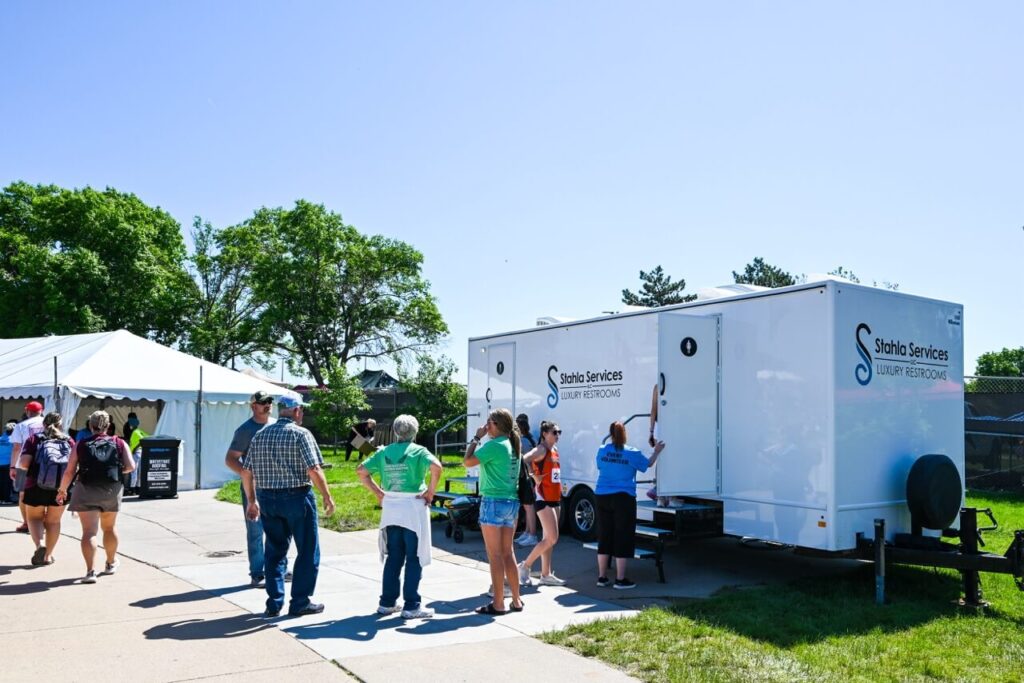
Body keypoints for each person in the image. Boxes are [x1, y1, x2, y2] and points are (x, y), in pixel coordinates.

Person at [242, 395, 336, 618]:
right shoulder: (300, 434)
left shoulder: (260, 435)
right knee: (307, 550)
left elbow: (247, 471)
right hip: (296, 497)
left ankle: (274, 603)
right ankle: (300, 602)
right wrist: (327, 496)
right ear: (296, 411)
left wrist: (251, 500)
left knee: (274, 551)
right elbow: (313, 469)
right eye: (301, 410)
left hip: (267, 499)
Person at [357, 414, 442, 619]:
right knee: (414, 557)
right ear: (415, 431)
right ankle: (411, 605)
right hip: (413, 507)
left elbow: (361, 471)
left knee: (394, 556)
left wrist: (379, 493)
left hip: (392, 507)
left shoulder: (384, 451)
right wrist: (430, 491)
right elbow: (437, 467)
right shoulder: (419, 451)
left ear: (395, 431)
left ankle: (387, 602)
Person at [56, 410, 135, 584]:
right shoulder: (119, 442)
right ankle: (110, 563)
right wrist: (113, 471)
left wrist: (62, 490)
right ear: (108, 426)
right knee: (109, 528)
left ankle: (90, 572)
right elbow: (131, 466)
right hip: (111, 490)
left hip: (86, 488)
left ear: (90, 425)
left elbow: (69, 471)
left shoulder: (81, 444)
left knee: (89, 532)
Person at [224, 391, 289, 588]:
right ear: (253, 406)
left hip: (277, 486)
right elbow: (230, 458)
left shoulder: (277, 425)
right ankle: (258, 572)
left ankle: (279, 568)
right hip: (253, 488)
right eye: (262, 403)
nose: (267, 405)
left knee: (279, 529)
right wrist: (246, 474)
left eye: (269, 402)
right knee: (255, 530)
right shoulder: (245, 430)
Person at [464, 408, 524, 615]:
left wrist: (476, 437)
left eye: (489, 423)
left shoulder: (494, 445)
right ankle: (516, 600)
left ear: (498, 425)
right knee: (508, 553)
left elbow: (467, 461)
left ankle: (498, 603)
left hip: (493, 502)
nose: (486, 426)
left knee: (495, 556)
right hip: (511, 502)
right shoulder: (512, 445)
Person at [595, 421, 665, 590]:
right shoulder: (632, 452)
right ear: (624, 434)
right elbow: (647, 464)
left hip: (601, 496)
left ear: (610, 434)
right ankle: (620, 579)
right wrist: (656, 452)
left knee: (604, 535)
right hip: (623, 498)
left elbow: (600, 467)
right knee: (622, 536)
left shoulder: (602, 450)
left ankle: (602, 577)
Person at [18, 412, 74, 565]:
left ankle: (39, 545)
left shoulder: (34, 439)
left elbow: (23, 463)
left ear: (43, 424)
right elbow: (74, 466)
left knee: (34, 518)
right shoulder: (68, 441)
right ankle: (48, 555)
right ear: (61, 425)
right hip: (61, 488)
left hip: (36, 485)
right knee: (54, 522)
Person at [518, 420, 565, 587]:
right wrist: (532, 474)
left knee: (548, 539)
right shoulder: (541, 449)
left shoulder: (555, 450)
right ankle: (525, 566)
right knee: (552, 537)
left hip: (554, 497)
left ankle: (546, 574)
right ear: (545, 434)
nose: (557, 435)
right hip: (542, 498)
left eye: (559, 432)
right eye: (554, 432)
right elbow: (524, 458)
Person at [10, 401, 45, 533]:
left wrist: (13, 467)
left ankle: (26, 523)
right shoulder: (48, 424)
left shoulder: (21, 426)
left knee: (23, 494)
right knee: (45, 491)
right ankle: (42, 522)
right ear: (41, 411)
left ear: (27, 411)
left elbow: (16, 448)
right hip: (45, 464)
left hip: (23, 464)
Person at [513, 413, 539, 548]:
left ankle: (532, 535)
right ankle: (527, 532)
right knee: (527, 506)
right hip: (530, 476)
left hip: (527, 476)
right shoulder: (530, 437)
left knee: (529, 507)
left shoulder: (523, 441)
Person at [0, 421, 15, 504]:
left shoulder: (0, 439)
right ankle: (6, 499)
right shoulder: (13, 441)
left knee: (1, 481)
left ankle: (1, 499)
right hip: (8, 463)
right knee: (7, 482)